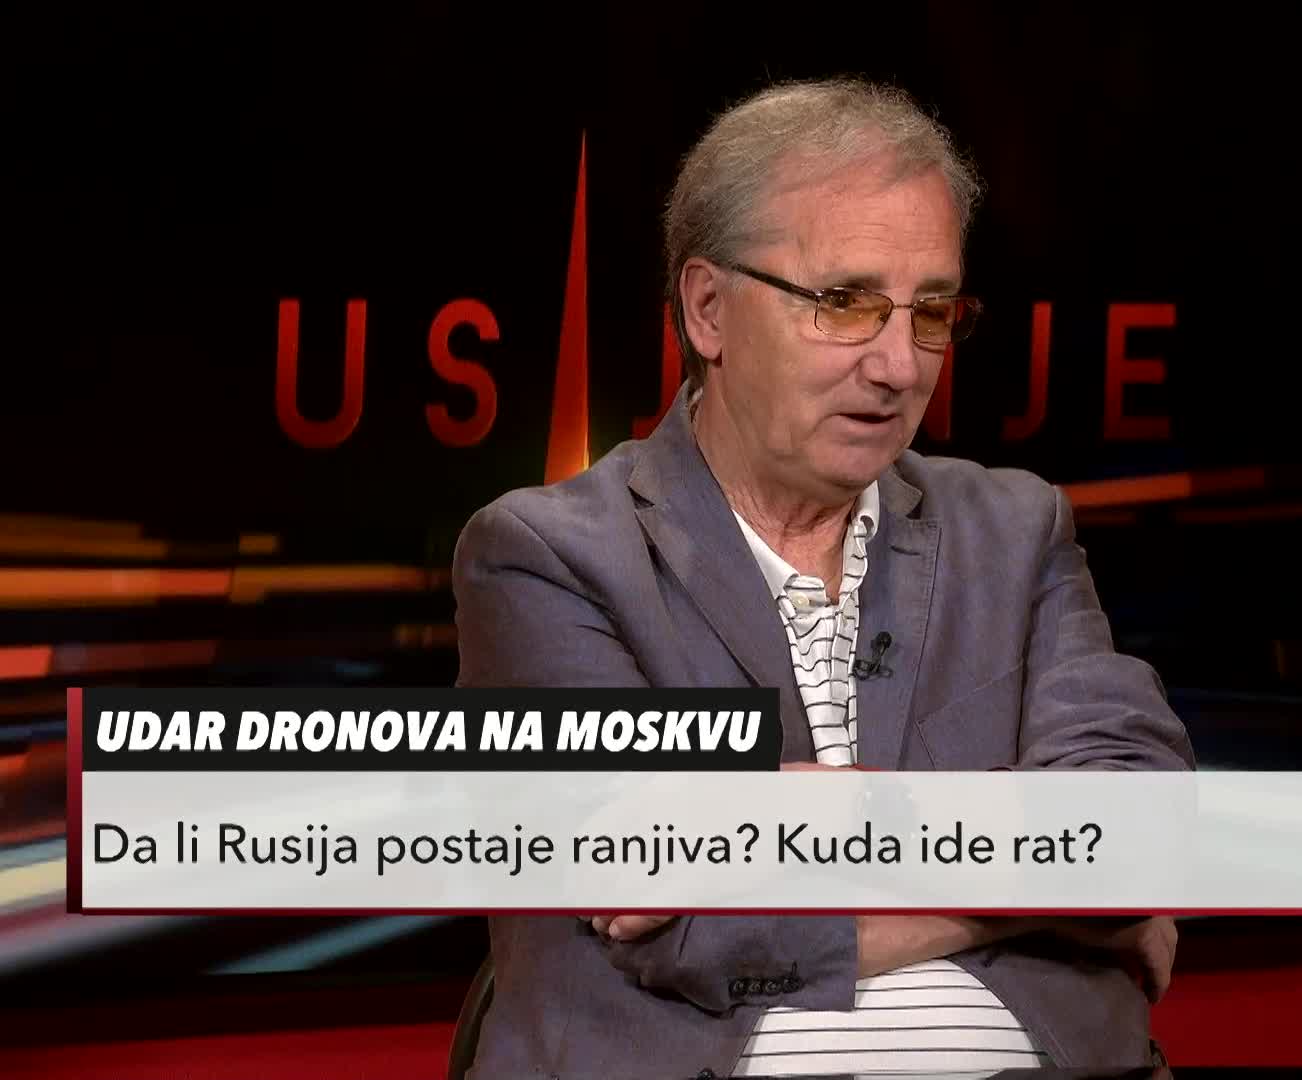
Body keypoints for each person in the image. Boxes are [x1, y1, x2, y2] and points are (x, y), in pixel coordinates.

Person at [451, 77, 1194, 1078]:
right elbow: (666, 925)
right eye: (845, 304)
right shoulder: (544, 558)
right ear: (708, 311)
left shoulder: (1015, 531)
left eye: (932, 312)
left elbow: (1133, 830)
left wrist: (797, 815)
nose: (900, 366)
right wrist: (1052, 901)